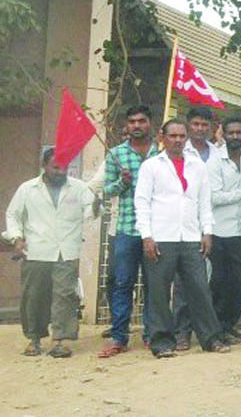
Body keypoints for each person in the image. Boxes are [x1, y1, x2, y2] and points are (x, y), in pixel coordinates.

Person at [137, 119, 232, 357]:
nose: (178, 140)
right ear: (163, 137)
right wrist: (147, 236)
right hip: (161, 237)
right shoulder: (151, 166)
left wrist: (207, 231)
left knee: (200, 289)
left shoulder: (197, 165)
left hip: (190, 237)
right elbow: (142, 203)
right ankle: (161, 343)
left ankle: (211, 339)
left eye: (182, 136)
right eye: (173, 136)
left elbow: (204, 202)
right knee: (159, 292)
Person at [7, 148, 99, 358]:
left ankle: (59, 341)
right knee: (34, 296)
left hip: (66, 250)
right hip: (36, 249)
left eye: (64, 167)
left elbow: (90, 213)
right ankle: (34, 339)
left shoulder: (79, 188)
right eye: (55, 167)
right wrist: (17, 238)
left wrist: (95, 205)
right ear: (44, 166)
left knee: (65, 296)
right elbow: (13, 214)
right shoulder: (27, 188)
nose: (60, 171)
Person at [100, 104, 156, 358]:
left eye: (141, 121)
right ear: (127, 125)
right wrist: (121, 183)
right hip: (126, 229)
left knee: (154, 285)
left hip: (156, 230)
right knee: (123, 283)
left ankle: (151, 334)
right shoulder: (116, 154)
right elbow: (107, 190)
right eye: (132, 121)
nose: (136, 125)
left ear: (150, 124)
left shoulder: (161, 152)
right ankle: (119, 337)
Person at [203, 117, 241, 340]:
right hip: (219, 232)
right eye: (231, 133)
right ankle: (217, 329)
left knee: (240, 283)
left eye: (239, 132)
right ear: (223, 134)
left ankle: (230, 324)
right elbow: (214, 197)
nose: (235, 137)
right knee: (219, 283)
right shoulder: (214, 161)